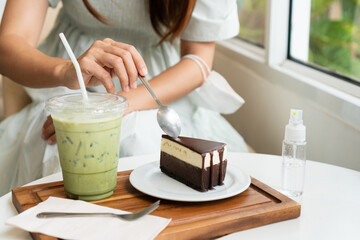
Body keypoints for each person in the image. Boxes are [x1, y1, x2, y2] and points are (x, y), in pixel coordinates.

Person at [0, 0, 248, 196]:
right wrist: (67, 70)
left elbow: (199, 60)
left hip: (163, 88)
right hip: (70, 88)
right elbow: (9, 45)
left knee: (144, 143)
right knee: (59, 150)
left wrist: (117, 106)